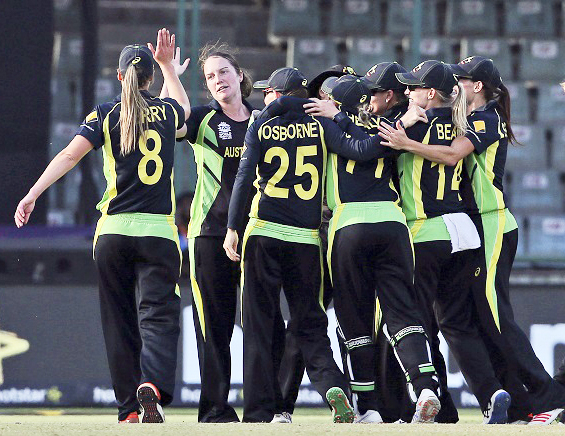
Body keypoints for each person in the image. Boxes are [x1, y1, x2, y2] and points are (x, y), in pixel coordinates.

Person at [15, 28, 190, 423]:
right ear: (149, 79)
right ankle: (154, 385)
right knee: (159, 313)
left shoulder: (105, 114)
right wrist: (169, 69)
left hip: (112, 232)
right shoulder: (165, 113)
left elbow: (68, 155)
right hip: (158, 233)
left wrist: (33, 193)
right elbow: (183, 112)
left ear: (118, 77)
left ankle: (129, 408)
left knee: (118, 319)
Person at [378, 55, 565, 425]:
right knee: (473, 319)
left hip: (492, 221)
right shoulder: (462, 119)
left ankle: (549, 397)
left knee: (495, 317)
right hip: (471, 227)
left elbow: (451, 156)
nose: (455, 87)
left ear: (477, 86)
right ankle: (514, 400)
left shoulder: (487, 117)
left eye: (461, 80)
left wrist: (404, 141)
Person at [223, 67, 398, 424]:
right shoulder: (321, 126)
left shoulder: (260, 124)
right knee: (310, 324)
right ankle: (332, 384)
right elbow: (357, 149)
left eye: (269, 92)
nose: (265, 98)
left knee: (257, 325)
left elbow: (243, 178)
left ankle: (260, 413)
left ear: (279, 94)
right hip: (306, 238)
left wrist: (231, 227)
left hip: (264, 230)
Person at [165, 41, 254, 423]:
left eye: (223, 72)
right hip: (210, 236)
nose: (218, 80)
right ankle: (215, 409)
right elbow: (173, 118)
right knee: (214, 328)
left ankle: (266, 406)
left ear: (239, 76)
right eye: (210, 76)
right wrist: (169, 70)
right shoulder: (204, 119)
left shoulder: (264, 118)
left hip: (259, 234)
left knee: (262, 325)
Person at [278, 64, 357, 423]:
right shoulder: (359, 126)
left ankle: (283, 404)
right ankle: (368, 403)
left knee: (305, 320)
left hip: (322, 230)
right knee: (355, 323)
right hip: (352, 231)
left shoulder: (322, 126)